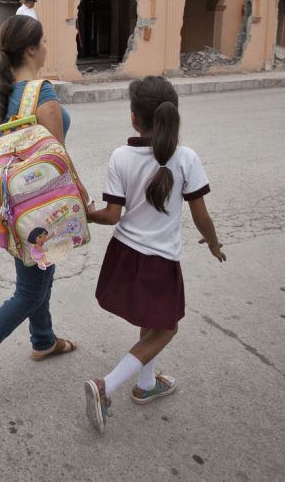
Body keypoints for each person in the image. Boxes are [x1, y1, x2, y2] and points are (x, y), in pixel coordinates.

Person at [0, 14, 90, 403]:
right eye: (42, 42)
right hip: (38, 209)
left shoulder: (0, 94)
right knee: (29, 291)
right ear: (30, 48)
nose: (46, 48)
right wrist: (83, 198)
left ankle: (43, 340)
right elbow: (56, 164)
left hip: (8, 205)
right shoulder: (42, 94)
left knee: (39, 274)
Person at [82, 75, 225, 434]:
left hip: (124, 255)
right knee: (166, 328)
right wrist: (213, 243)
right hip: (159, 261)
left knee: (152, 320)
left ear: (134, 117)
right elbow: (201, 215)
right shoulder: (187, 158)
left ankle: (146, 385)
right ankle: (106, 386)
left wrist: (83, 212)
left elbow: (111, 216)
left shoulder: (120, 156)